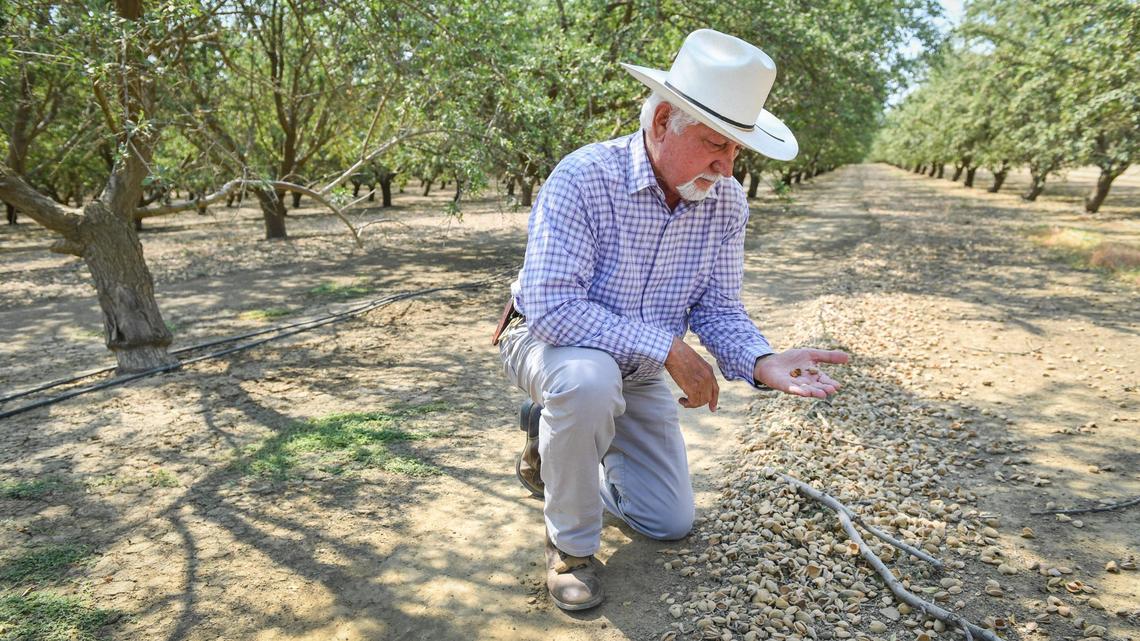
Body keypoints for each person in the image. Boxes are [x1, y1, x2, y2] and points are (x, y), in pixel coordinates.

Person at [491, 29, 848, 611]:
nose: (727, 167)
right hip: (548, 343)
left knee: (668, 521)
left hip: (635, 363)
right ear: (661, 123)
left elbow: (719, 307)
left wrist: (760, 360)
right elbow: (553, 307)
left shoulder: (726, 202)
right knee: (587, 382)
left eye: (737, 150)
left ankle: (555, 447)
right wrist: (668, 348)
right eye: (716, 144)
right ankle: (570, 546)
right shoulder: (585, 177)